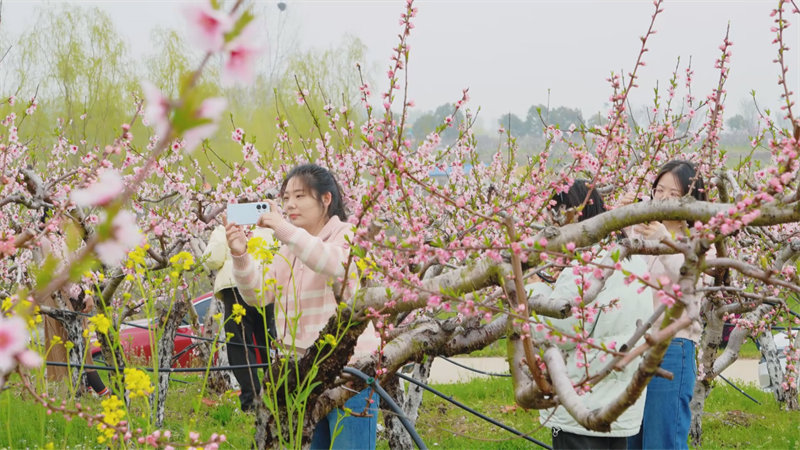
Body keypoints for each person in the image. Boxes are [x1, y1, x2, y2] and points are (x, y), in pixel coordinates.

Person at [224, 163, 380, 449]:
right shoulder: (288, 248)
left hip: (350, 371)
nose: (290, 205)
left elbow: (332, 263)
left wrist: (284, 230)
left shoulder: (348, 234)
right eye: (285, 199)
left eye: (300, 196)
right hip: (303, 373)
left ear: (326, 199)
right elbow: (258, 296)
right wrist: (240, 255)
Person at [529, 179, 654, 449]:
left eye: (556, 220)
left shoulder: (584, 267)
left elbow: (556, 331)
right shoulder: (634, 259)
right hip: (618, 408)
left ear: (573, 216)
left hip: (581, 405)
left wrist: (534, 293)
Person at [625, 160, 709, 450]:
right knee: (631, 439)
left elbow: (691, 286)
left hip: (673, 348)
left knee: (662, 442)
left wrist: (666, 241)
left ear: (690, 199)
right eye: (658, 190)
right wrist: (626, 227)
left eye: (672, 193)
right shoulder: (644, 235)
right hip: (637, 347)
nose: (661, 198)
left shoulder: (696, 242)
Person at [203, 224, 276, 412]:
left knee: (239, 344)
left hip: (235, 286)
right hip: (265, 285)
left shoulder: (224, 229)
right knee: (270, 340)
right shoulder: (268, 228)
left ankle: (251, 400)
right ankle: (277, 393)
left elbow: (213, 260)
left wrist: (223, 234)